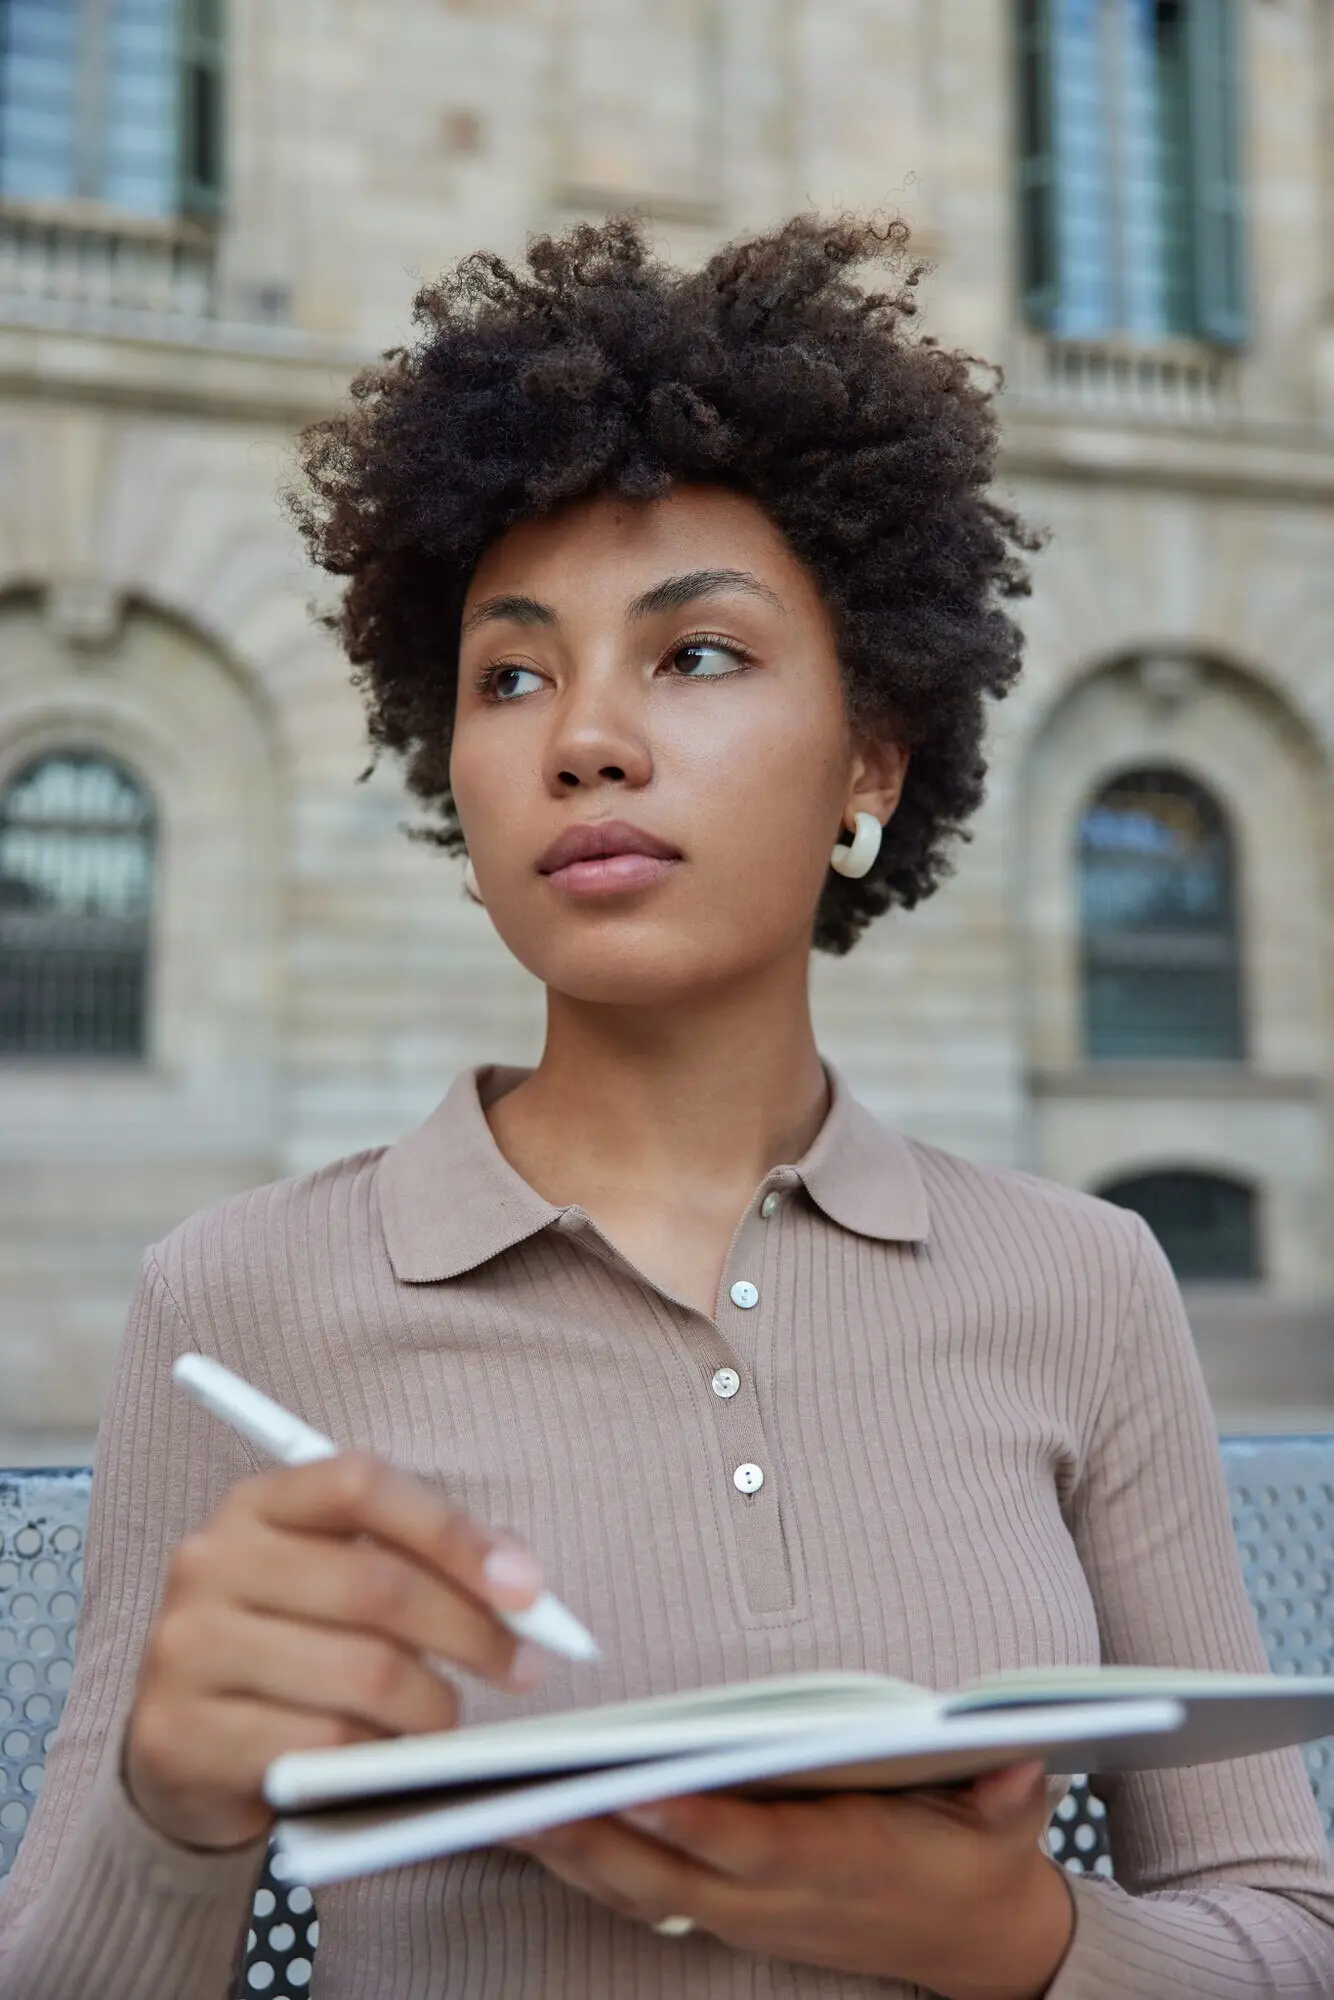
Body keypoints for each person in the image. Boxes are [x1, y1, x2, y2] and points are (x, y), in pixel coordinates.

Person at [1, 214, 1331, 2000]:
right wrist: (172, 1811)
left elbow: (1284, 1931)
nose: (585, 738)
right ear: (454, 776)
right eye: (511, 675)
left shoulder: (1084, 1282)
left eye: (694, 654)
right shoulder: (235, 1302)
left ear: (870, 757)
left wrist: (1012, 1936)